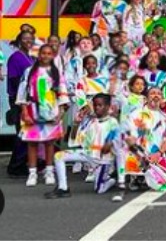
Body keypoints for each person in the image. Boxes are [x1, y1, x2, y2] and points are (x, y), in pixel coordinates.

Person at [47, 94, 119, 198]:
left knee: (99, 189)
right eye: (95, 105)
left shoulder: (113, 122)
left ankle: (111, 180)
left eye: (100, 105)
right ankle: (63, 188)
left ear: (108, 106)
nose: (97, 107)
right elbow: (72, 140)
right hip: (87, 154)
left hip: (103, 160)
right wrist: (76, 124)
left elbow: (116, 140)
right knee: (58, 156)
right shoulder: (90, 122)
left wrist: (110, 144)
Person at [16, 44, 69, 187]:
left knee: (49, 142)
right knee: (32, 143)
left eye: (48, 53)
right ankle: (32, 172)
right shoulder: (29, 72)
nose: (45, 56)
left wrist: (61, 112)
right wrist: (24, 111)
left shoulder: (56, 72)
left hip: (51, 110)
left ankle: (49, 171)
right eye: (43, 53)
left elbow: (62, 92)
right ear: (39, 55)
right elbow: (23, 92)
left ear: (52, 56)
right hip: (33, 109)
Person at [6, 31, 37, 176]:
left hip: (28, 99)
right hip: (19, 99)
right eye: (25, 39)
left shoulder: (31, 57)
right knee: (22, 133)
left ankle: (21, 163)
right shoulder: (15, 58)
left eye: (30, 39)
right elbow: (14, 79)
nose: (28, 41)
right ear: (19, 40)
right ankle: (15, 166)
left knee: (27, 132)